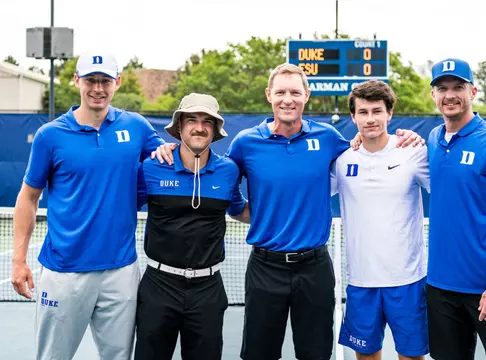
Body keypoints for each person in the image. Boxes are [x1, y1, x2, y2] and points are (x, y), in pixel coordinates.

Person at [154, 63, 423, 360]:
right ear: (269, 95)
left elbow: (368, 144)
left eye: (295, 92)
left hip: (315, 268)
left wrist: (405, 138)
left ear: (306, 95)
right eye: (280, 92)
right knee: (259, 354)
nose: (287, 99)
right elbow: (218, 175)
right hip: (265, 268)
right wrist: (168, 148)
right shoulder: (246, 143)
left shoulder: (329, 138)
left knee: (317, 354)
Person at [11, 53, 164, 360]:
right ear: (77, 81)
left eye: (105, 81)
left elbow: (169, 160)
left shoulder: (136, 127)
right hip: (64, 273)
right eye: (91, 80)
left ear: (117, 83)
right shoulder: (50, 135)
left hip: (121, 271)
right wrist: (19, 260)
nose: (98, 88)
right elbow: (28, 197)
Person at [134, 93, 249, 360]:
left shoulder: (228, 171)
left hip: (208, 290)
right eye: (191, 120)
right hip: (158, 287)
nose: (199, 127)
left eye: (207, 121)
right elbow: (122, 210)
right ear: (179, 127)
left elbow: (239, 210)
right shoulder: (151, 167)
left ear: (215, 129)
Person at [426, 58, 486, 360]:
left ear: (474, 91)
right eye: (442, 88)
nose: (450, 94)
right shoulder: (432, 139)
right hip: (441, 289)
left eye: (459, 87)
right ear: (433, 96)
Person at [332, 80, 430, 360]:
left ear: (389, 113)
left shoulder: (413, 152)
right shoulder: (341, 159)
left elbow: (450, 191)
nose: (370, 118)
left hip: (408, 281)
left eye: (377, 111)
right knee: (366, 357)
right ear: (353, 117)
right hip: (361, 281)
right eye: (363, 112)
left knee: (411, 357)